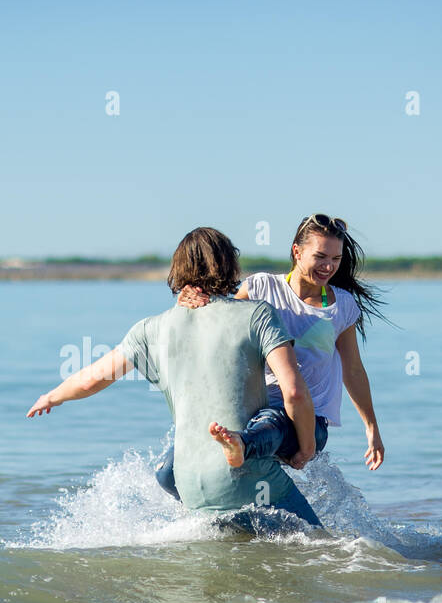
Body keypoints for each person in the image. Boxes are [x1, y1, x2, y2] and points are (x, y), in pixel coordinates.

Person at [26, 226, 322, 527]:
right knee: (319, 550)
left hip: (187, 481)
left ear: (178, 270)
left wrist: (51, 396)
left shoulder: (149, 329)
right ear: (230, 264)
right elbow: (294, 392)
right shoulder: (257, 315)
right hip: (249, 476)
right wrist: (307, 446)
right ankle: (240, 447)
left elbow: (92, 379)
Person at [156, 213, 386, 499]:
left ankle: (243, 448)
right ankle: (225, 517)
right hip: (248, 408)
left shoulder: (342, 305)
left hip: (307, 422)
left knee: (271, 422)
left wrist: (372, 428)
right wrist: (189, 302)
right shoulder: (261, 288)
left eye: (336, 259)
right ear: (297, 251)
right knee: (168, 474)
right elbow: (217, 325)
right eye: (321, 256)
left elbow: (353, 371)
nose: (329, 266)